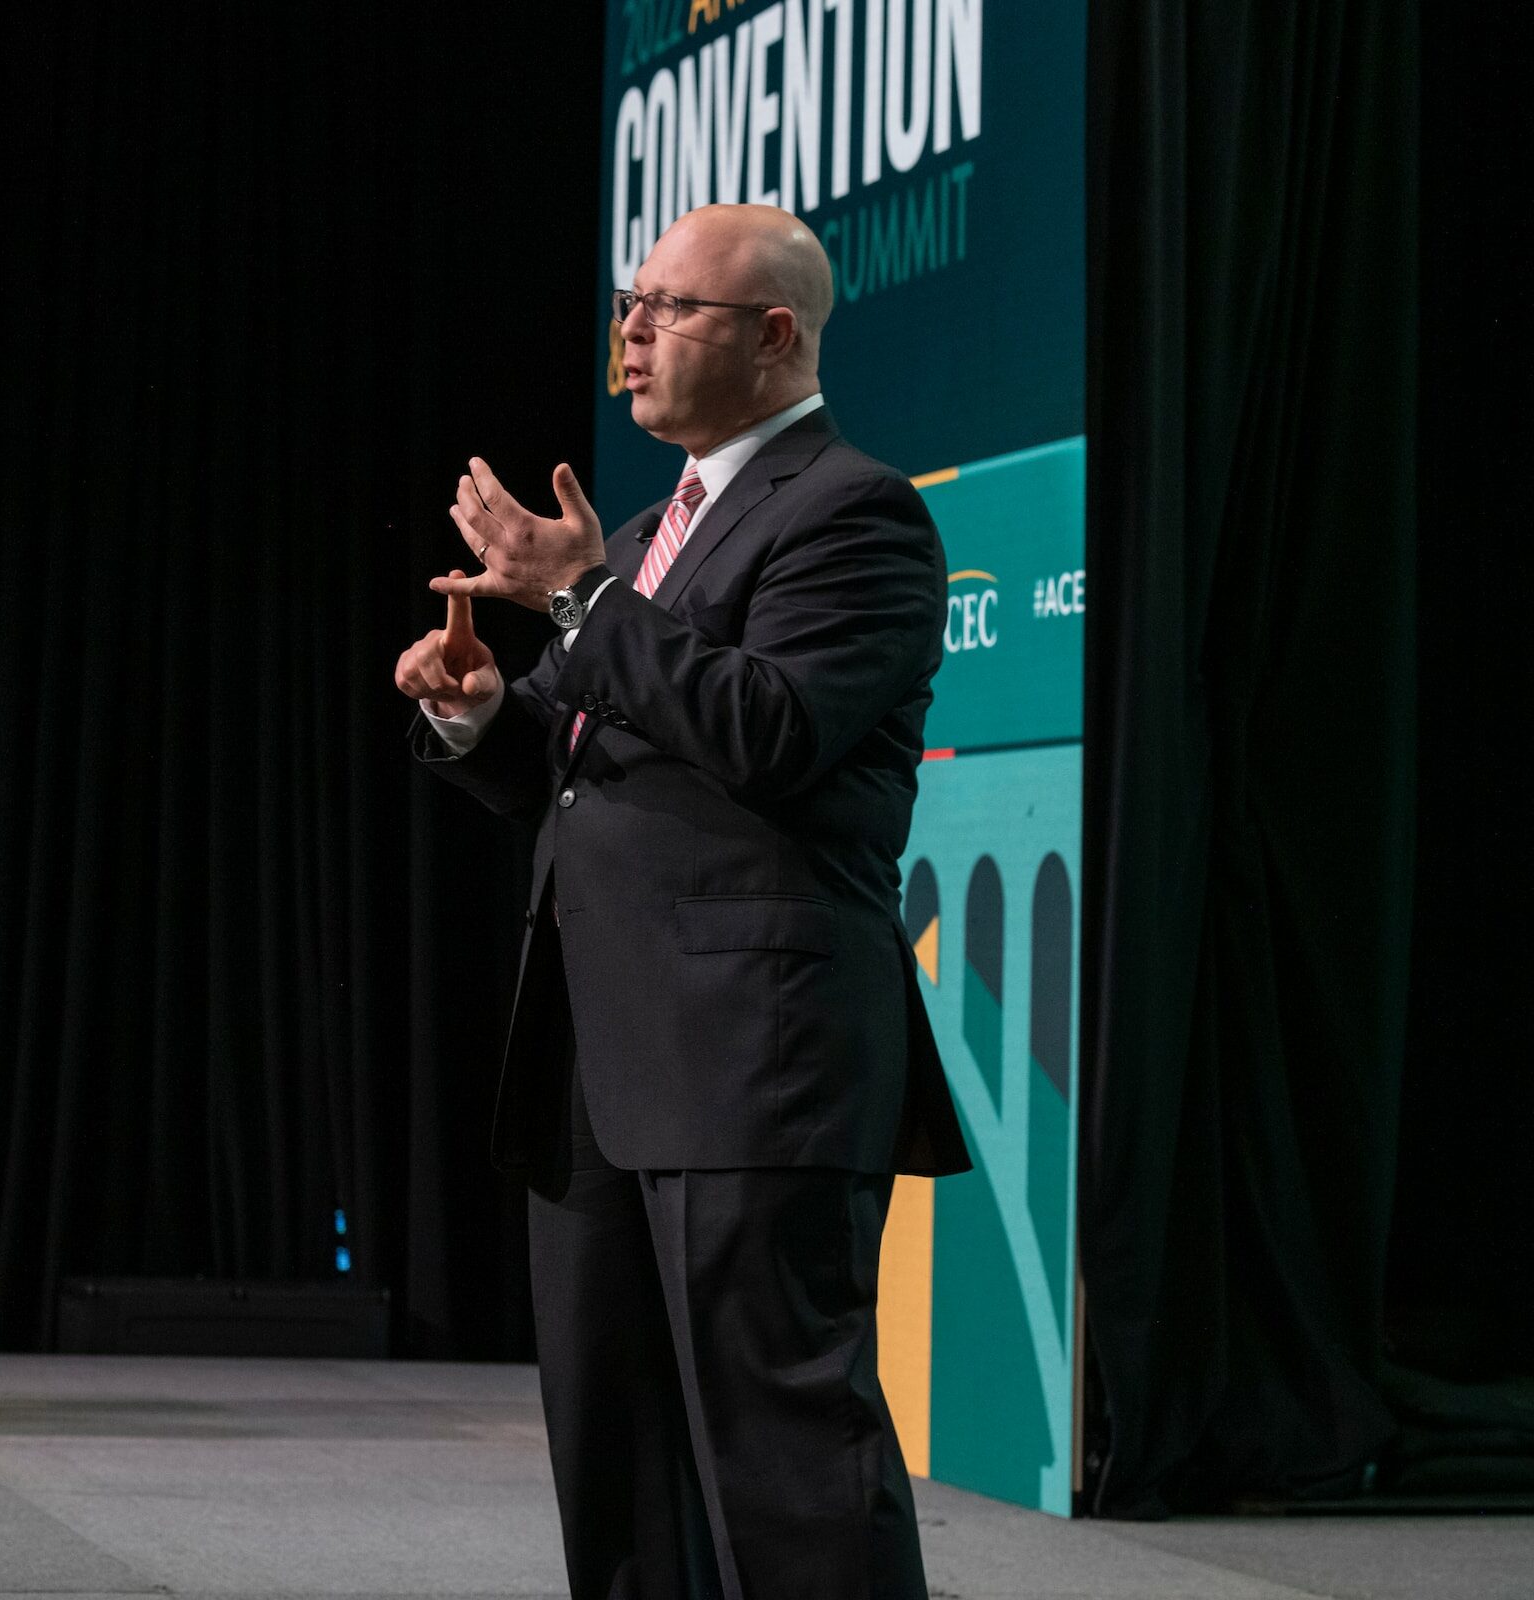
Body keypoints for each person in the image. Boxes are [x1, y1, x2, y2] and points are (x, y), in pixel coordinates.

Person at [394, 203, 970, 1599]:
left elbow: (768, 729)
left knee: (787, 1469)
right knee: (619, 1467)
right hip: (603, 1058)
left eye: (669, 306)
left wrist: (582, 599)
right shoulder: (656, 527)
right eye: (629, 301)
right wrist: (481, 718)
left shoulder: (855, 514)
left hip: (751, 1058)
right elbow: (581, 769)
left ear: (774, 337)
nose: (631, 332)